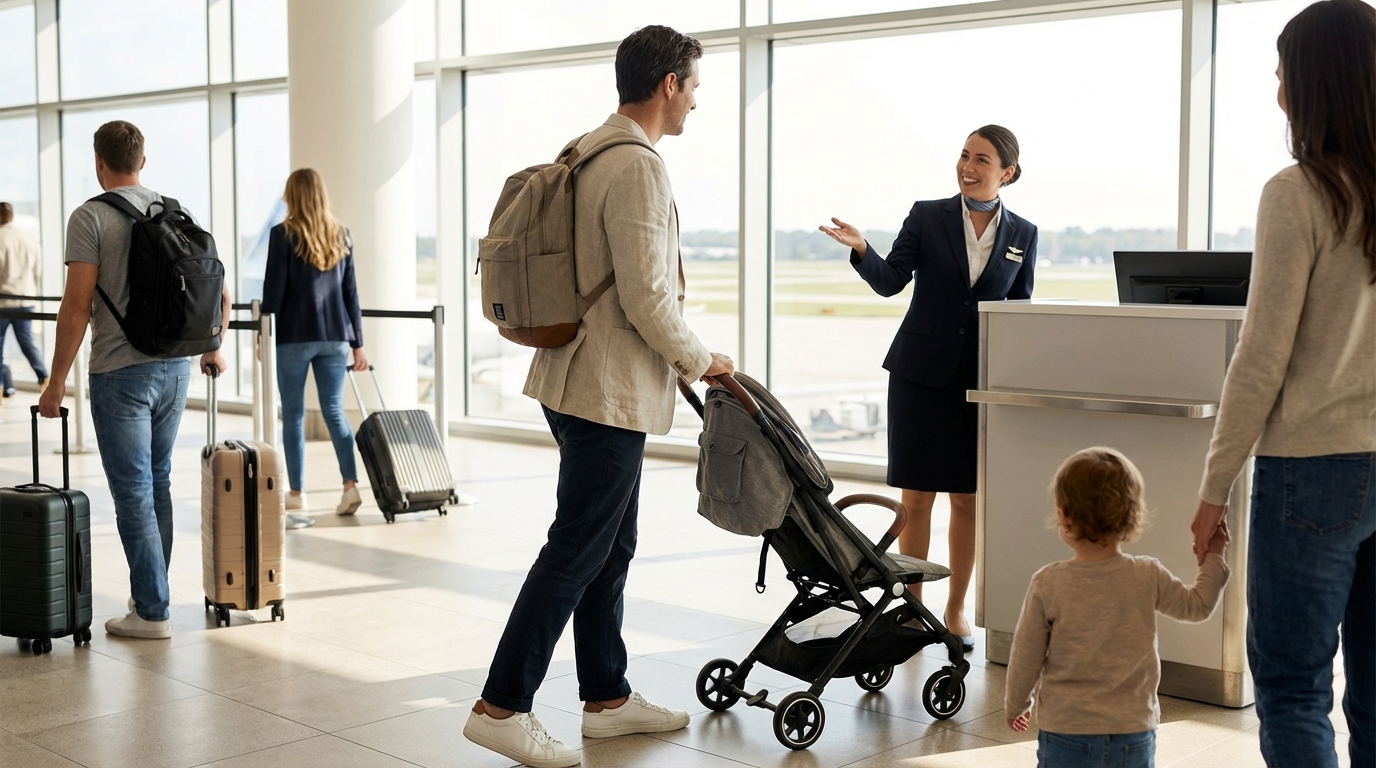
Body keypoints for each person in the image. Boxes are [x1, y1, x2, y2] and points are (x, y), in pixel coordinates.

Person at [462, 25, 734, 768]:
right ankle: (501, 705)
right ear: (669, 84)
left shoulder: (585, 148)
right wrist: (703, 359)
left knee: (610, 543)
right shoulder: (638, 167)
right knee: (579, 547)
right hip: (604, 388)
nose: (696, 104)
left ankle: (606, 696)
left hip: (571, 376)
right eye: (695, 88)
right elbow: (648, 298)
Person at [1189, 2, 1376, 765]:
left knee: (1295, 687)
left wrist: (1213, 488)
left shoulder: (1298, 192)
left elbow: (1261, 357)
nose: (1276, 91)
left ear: (1313, 81)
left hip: (1314, 473)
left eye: (1280, 73)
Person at [819, 126, 1037, 652]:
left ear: (1005, 172)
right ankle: (913, 609)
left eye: (981, 159)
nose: (967, 165)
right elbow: (892, 279)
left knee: (967, 499)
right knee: (916, 499)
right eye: (964, 155)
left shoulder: (1024, 233)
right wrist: (862, 248)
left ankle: (956, 608)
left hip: (975, 384)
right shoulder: (925, 214)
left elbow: (1019, 312)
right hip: (918, 376)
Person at [39, 120, 229, 639]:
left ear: (99, 161)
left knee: (132, 494)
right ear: (142, 161)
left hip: (120, 374)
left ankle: (151, 610)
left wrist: (56, 381)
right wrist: (213, 346)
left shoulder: (90, 217)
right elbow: (218, 290)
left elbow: (76, 306)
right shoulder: (175, 210)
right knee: (158, 484)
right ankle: (152, 595)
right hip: (174, 370)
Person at [1006, 448, 1231, 768]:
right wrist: (1214, 555)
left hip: (1067, 731)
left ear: (1063, 514)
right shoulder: (1146, 574)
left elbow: (1025, 656)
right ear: (1133, 515)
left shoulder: (1048, 582)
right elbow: (1197, 606)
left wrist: (1017, 704)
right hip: (1133, 731)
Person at [261, 168, 369, 519]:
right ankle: (350, 486)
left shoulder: (283, 235)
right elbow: (351, 294)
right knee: (334, 412)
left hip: (293, 336)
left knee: (292, 415)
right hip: (336, 337)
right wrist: (358, 344)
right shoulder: (342, 235)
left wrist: (265, 333)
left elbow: (273, 292)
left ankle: (297, 493)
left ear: (292, 194)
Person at [0, 201, 50, 397]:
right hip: (26, 300)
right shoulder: (29, 237)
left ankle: (1, 388)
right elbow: (38, 270)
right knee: (28, 344)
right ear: (12, 215)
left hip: (3, 301)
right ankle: (44, 378)